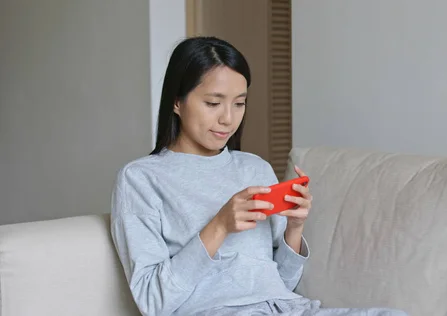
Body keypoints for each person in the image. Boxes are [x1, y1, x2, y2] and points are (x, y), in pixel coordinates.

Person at [110, 36, 408, 316]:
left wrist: (294, 227)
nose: (228, 118)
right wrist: (219, 226)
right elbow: (152, 300)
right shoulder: (141, 179)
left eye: (239, 103)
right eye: (213, 103)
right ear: (177, 101)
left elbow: (281, 285)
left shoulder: (254, 168)